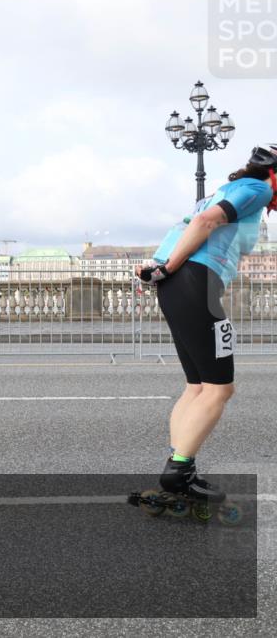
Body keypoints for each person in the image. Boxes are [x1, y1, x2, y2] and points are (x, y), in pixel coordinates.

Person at [136, 144, 277, 502]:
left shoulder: (225, 190)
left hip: (178, 283)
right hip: (196, 282)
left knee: (197, 386)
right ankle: (179, 473)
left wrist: (159, 267)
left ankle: (179, 465)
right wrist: (167, 268)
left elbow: (187, 224)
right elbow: (204, 223)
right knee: (219, 388)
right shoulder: (259, 188)